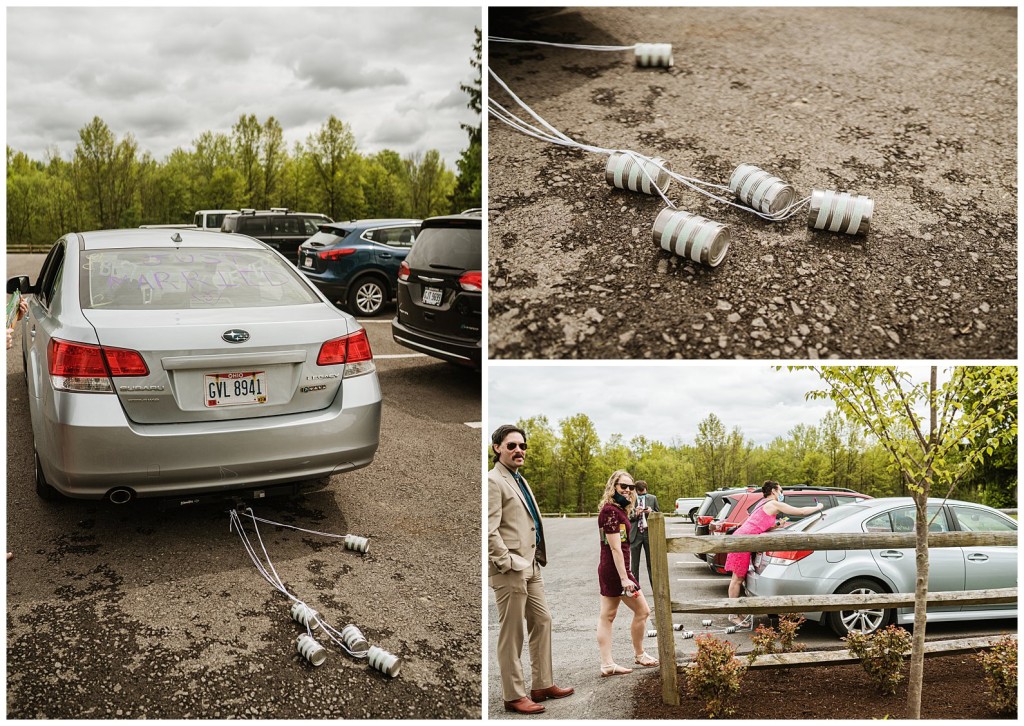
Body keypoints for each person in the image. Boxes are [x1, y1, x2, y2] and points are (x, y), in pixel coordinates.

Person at [488, 424, 574, 715]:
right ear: (497, 448)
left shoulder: (519, 479)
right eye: (512, 445)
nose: (519, 450)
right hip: (510, 567)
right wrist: (507, 561)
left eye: (522, 446)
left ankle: (542, 683)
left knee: (543, 620)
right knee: (511, 633)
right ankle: (513, 695)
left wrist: (531, 559)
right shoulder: (493, 481)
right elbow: (489, 530)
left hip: (532, 564)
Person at [723, 480, 823, 626]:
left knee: (739, 579)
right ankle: (732, 615)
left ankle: (736, 611)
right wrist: (818, 507)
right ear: (774, 491)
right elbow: (800, 511)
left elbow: (759, 525)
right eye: (780, 490)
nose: (782, 494)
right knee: (737, 579)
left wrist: (777, 525)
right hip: (743, 541)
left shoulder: (762, 503)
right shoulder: (773, 504)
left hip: (743, 538)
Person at [596, 470, 658, 676]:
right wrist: (625, 579)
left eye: (631, 487)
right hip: (616, 571)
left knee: (608, 615)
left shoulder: (617, 509)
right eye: (623, 486)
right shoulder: (611, 512)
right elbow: (614, 547)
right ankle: (636, 655)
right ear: (613, 487)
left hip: (615, 568)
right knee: (641, 611)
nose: (628, 491)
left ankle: (610, 663)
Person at [628, 480, 660, 590]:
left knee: (651, 563)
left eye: (644, 492)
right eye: (640, 492)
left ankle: (655, 588)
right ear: (636, 491)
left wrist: (651, 512)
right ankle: (635, 588)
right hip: (635, 534)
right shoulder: (631, 499)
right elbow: (627, 517)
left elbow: (658, 514)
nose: (642, 494)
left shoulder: (653, 498)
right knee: (634, 565)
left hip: (648, 533)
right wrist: (636, 514)